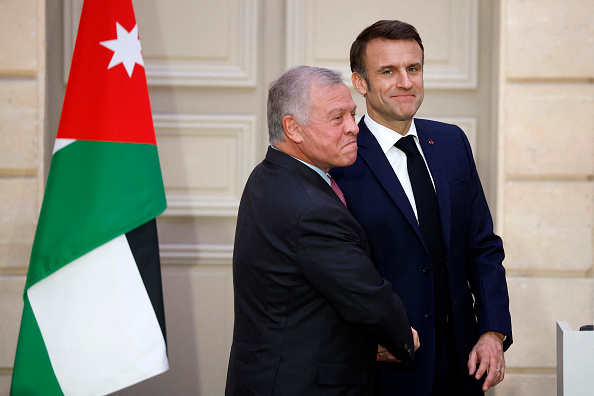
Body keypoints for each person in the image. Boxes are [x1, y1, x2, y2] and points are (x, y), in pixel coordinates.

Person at [330, 20, 513, 396]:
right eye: (388, 71)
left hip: (464, 363)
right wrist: (363, 342)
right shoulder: (339, 159)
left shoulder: (451, 142)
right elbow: (330, 274)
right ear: (360, 83)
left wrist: (492, 332)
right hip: (388, 369)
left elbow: (482, 246)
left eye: (413, 68)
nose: (405, 81)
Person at [225, 65, 420, 396]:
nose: (353, 128)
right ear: (293, 128)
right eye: (337, 118)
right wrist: (401, 337)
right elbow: (368, 299)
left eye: (352, 114)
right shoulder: (312, 208)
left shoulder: (269, 174)